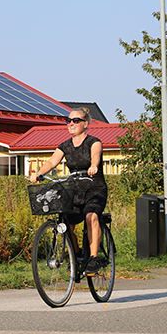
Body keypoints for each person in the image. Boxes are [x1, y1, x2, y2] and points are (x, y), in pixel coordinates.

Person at [29, 107, 107, 276]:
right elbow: (52, 162)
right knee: (65, 222)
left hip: (94, 188)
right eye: (69, 121)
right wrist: (39, 174)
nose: (71, 123)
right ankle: (76, 253)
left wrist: (94, 165)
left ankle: (93, 258)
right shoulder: (64, 145)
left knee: (91, 216)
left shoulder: (94, 142)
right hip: (75, 190)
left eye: (76, 120)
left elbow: (96, 155)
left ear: (85, 124)